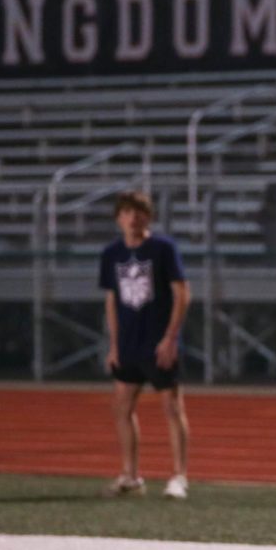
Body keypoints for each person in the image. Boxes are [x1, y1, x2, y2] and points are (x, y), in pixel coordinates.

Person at [98, 190, 192, 500]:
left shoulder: (163, 249)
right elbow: (112, 299)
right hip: (128, 342)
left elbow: (182, 293)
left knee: (172, 406)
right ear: (118, 218)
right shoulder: (111, 253)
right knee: (121, 407)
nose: (133, 218)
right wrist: (114, 344)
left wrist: (170, 337)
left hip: (157, 341)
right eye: (127, 212)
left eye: (139, 212)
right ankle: (130, 474)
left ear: (148, 216)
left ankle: (178, 476)